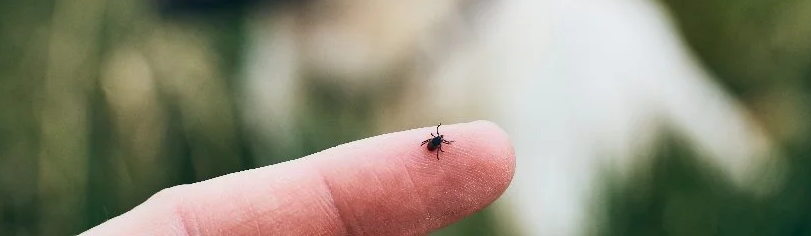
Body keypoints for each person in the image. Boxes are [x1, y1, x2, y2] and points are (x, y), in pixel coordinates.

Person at [81, 121, 515, 235]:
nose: (436, 143)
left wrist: (431, 143)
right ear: (437, 142)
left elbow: (431, 142)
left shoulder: (431, 142)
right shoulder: (436, 145)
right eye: (437, 142)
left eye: (436, 142)